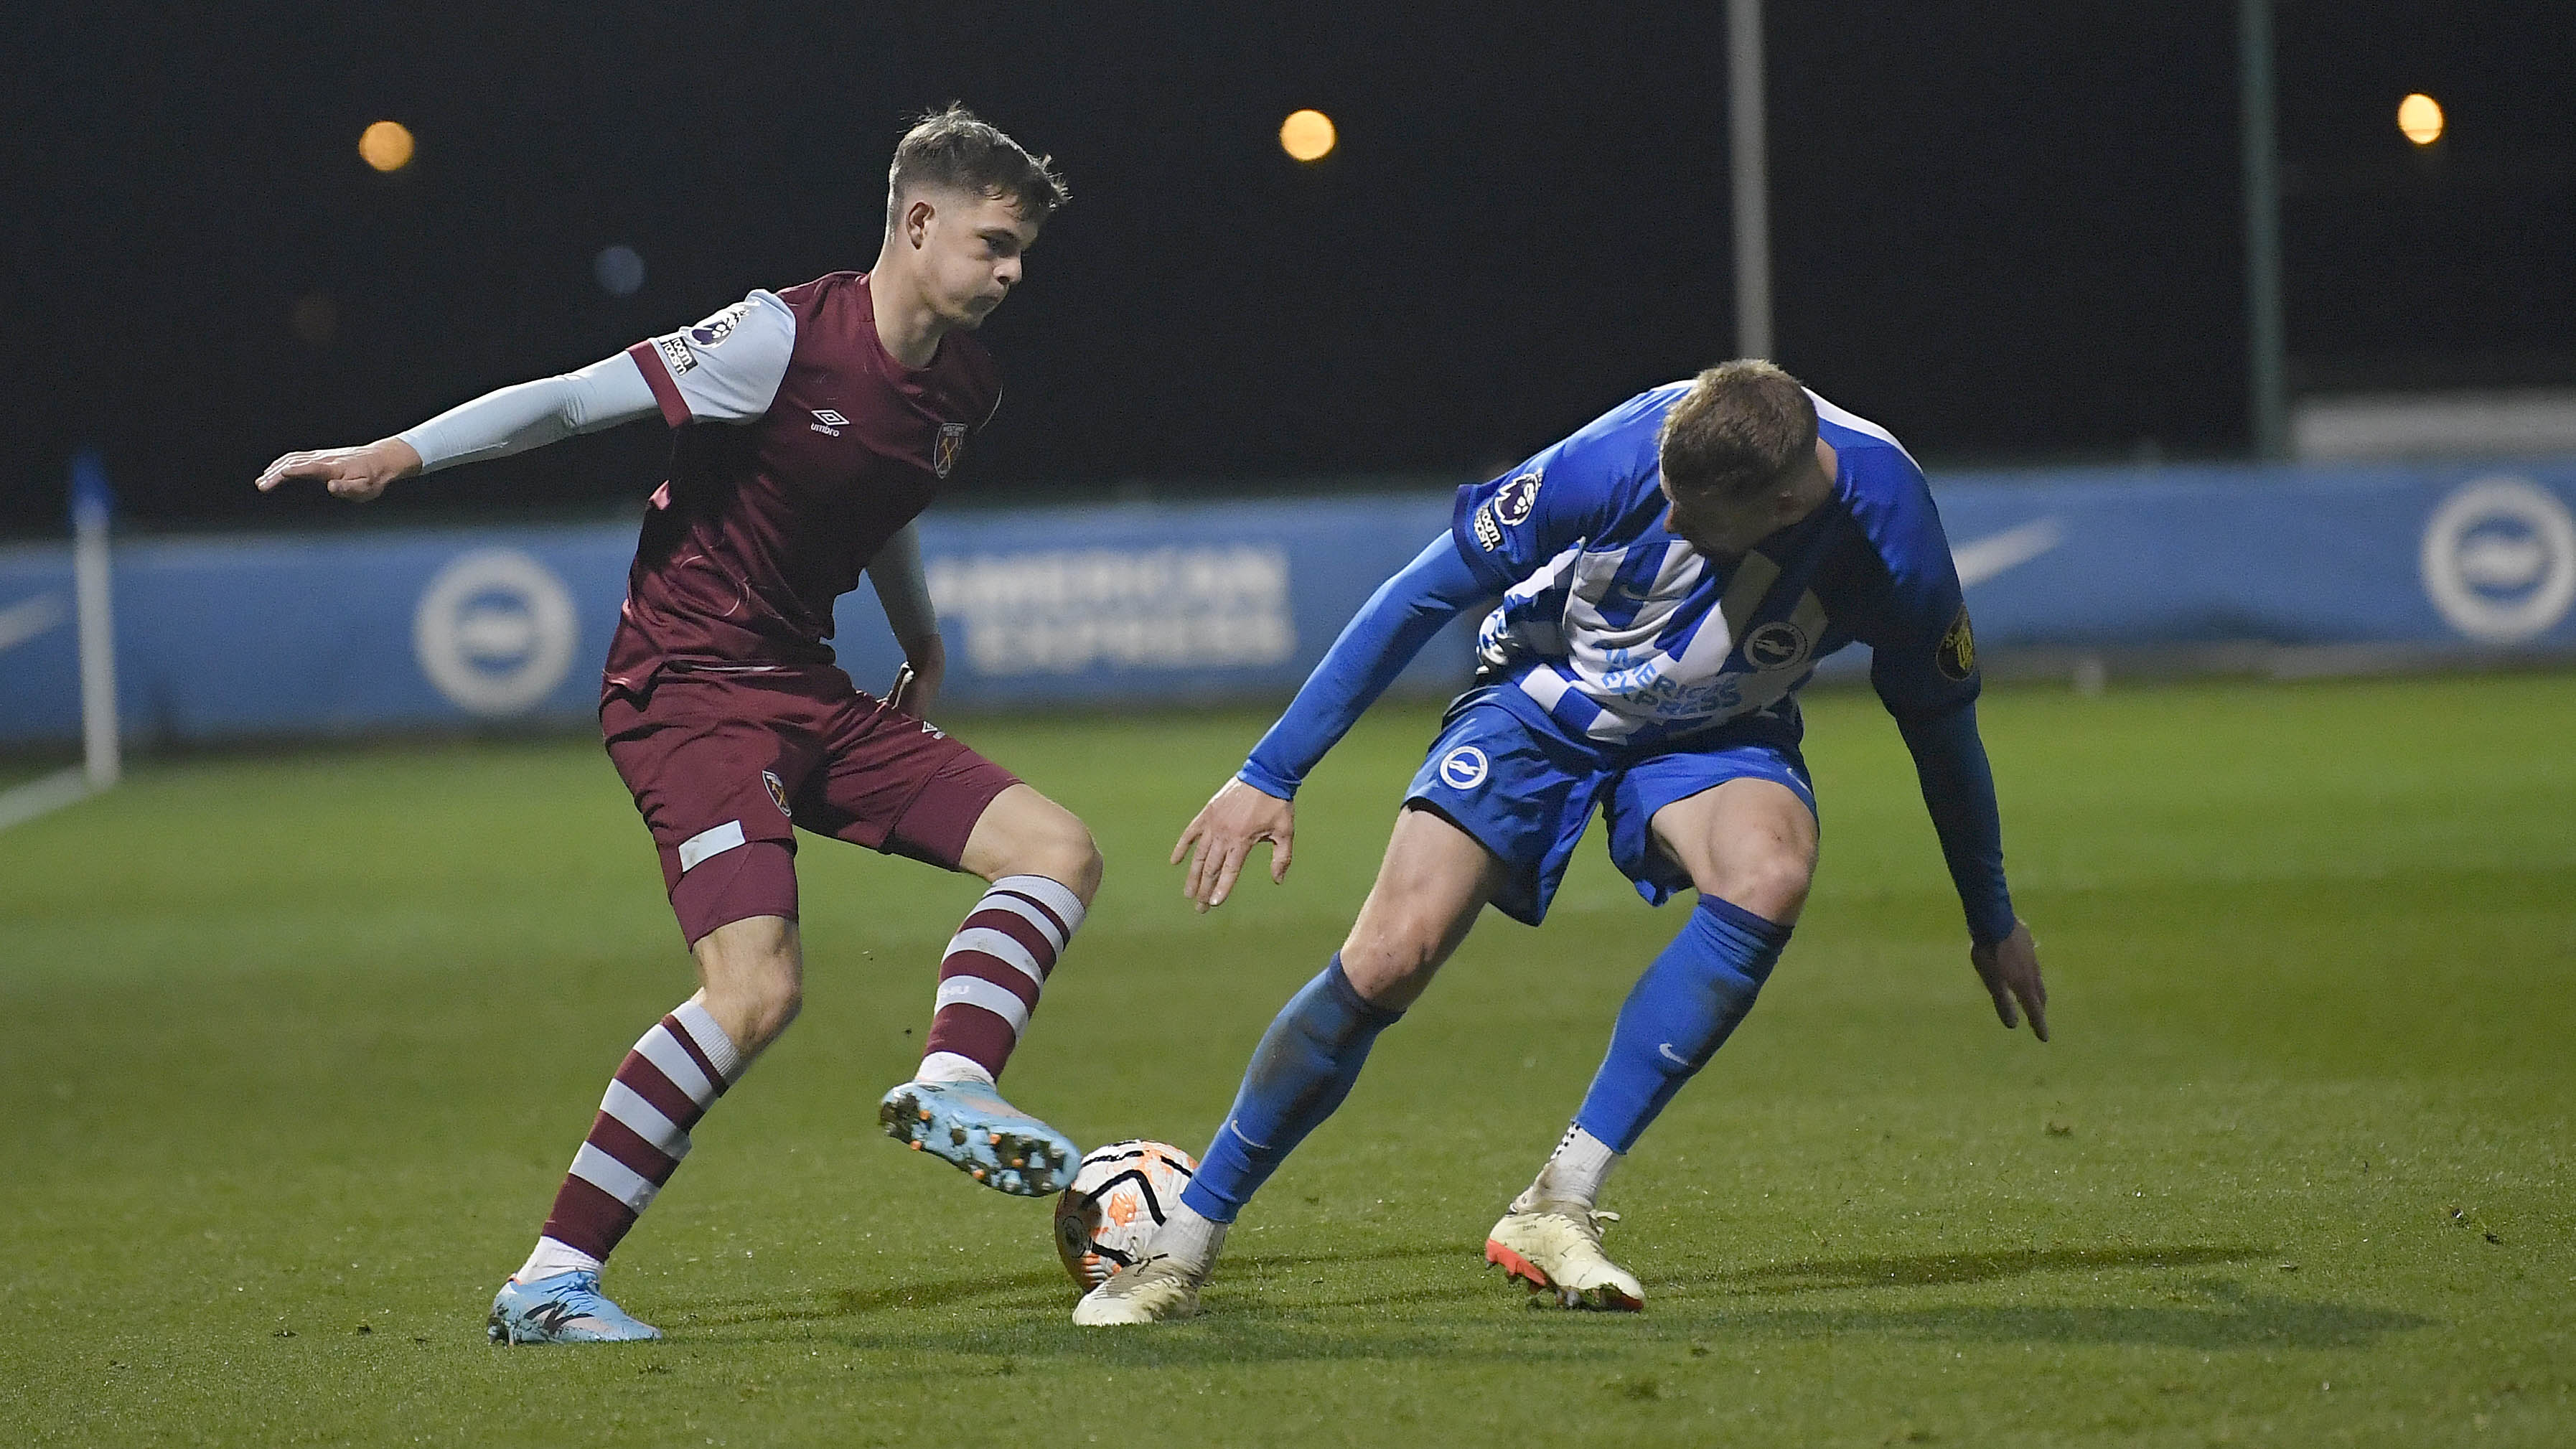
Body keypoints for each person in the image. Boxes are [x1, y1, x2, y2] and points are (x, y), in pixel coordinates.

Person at [257, 107, 1101, 1345]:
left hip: (808, 688)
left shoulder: (967, 379)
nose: (1014, 272)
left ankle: (956, 1081)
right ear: (918, 224)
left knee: (1058, 851)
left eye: (1023, 249)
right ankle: (548, 1285)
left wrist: (917, 639)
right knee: (754, 993)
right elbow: (567, 402)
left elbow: (883, 505)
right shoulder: (777, 336)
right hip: (688, 691)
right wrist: (398, 454)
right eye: (995, 244)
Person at [1073, 360, 2049, 1325]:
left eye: (1696, 520)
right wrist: (1270, 775)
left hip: (1711, 731)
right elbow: (1417, 594)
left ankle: (1556, 1203)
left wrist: (1989, 914)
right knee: (1389, 958)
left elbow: (1940, 728)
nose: (1669, 523)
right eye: (1666, 500)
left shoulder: (1895, 539)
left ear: (1789, 502)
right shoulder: (1620, 453)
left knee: (1770, 869)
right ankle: (1180, 1250)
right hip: (1541, 697)